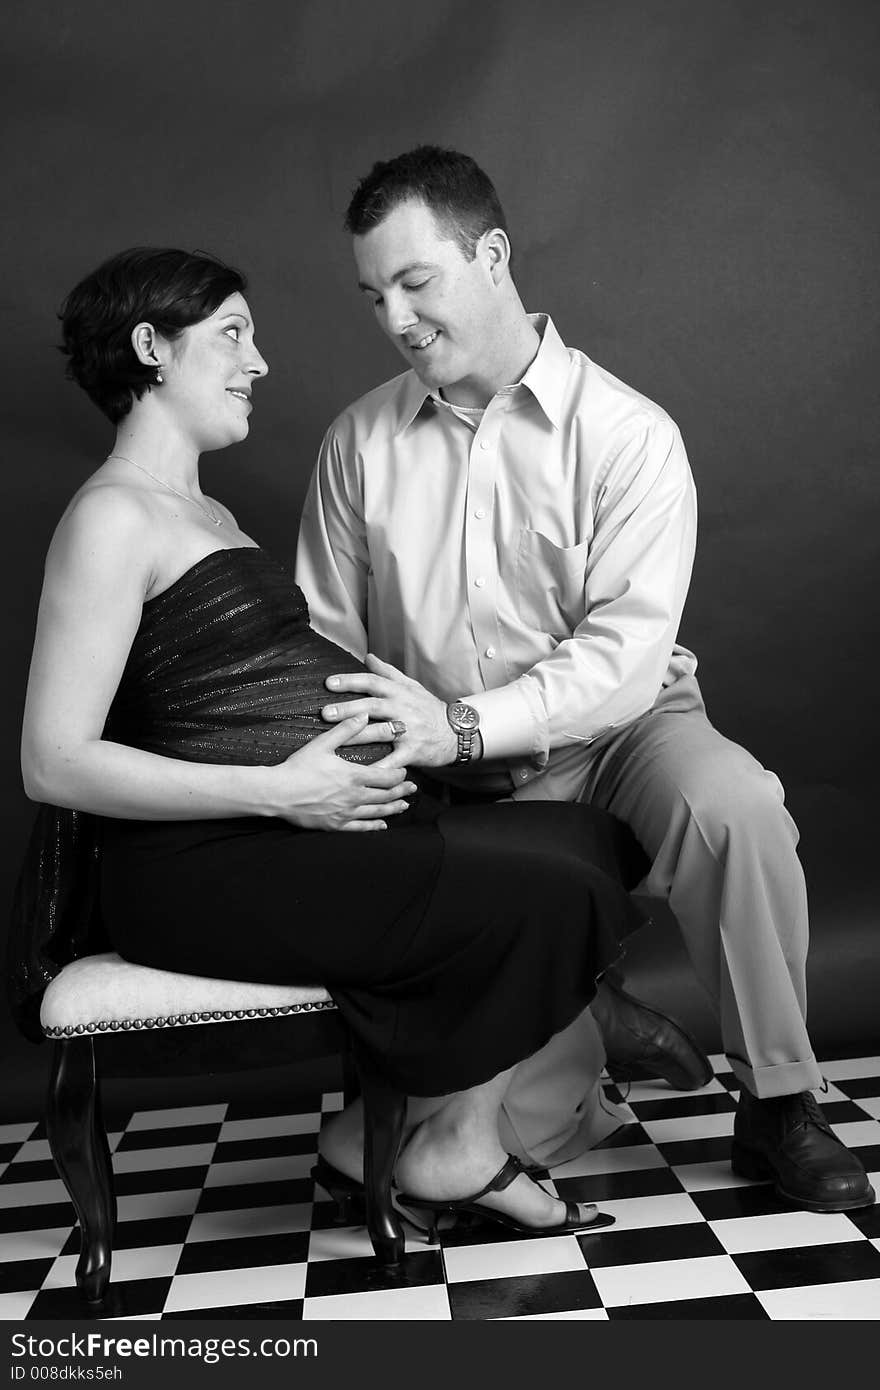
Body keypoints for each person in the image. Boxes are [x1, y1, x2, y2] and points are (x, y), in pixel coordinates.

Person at [9, 245, 657, 1240]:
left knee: (585, 841)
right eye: (231, 333)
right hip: (201, 869)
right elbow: (53, 762)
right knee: (556, 883)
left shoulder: (203, 511)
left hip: (286, 838)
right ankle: (459, 1145)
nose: (259, 361)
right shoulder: (110, 517)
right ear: (150, 346)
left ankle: (416, 1124)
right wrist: (281, 790)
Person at [295, 146, 875, 1213]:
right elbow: (325, 646)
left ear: (494, 256)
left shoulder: (629, 436)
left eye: (417, 282)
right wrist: (390, 757)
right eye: (375, 295)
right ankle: (587, 1017)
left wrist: (463, 723)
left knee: (736, 806)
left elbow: (620, 663)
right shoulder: (357, 444)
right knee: (473, 1143)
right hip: (446, 777)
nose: (396, 319)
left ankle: (781, 1100)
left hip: (620, 736)